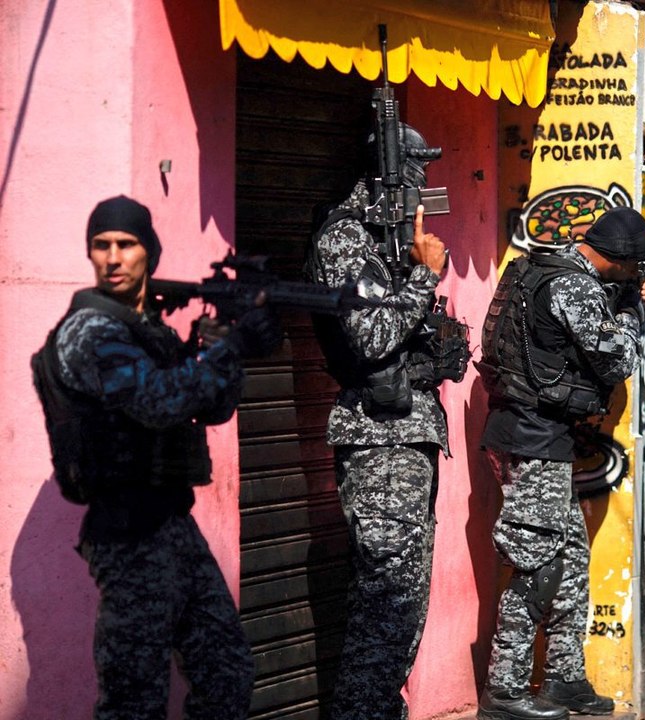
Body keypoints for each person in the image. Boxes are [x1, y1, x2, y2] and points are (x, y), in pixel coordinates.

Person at [31, 195, 282, 719]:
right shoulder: (91, 332)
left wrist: (222, 341)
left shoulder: (148, 332)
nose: (113, 258)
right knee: (133, 702)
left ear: (150, 253)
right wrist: (228, 348)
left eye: (127, 245)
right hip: (126, 538)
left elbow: (209, 408)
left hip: (170, 525)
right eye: (101, 246)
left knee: (226, 672)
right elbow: (155, 404)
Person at [476, 206, 645, 720]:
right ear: (620, 259)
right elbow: (617, 358)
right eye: (633, 268)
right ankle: (504, 689)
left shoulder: (541, 267)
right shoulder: (572, 286)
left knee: (569, 562)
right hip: (531, 438)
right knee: (537, 566)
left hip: (538, 436)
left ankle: (564, 678)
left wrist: (620, 297)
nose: (635, 275)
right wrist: (632, 311)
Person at [305, 141, 459, 720]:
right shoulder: (343, 240)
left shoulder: (384, 242)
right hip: (378, 441)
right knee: (384, 604)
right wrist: (423, 278)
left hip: (407, 435)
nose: (423, 189)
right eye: (416, 175)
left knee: (404, 604)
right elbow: (369, 339)